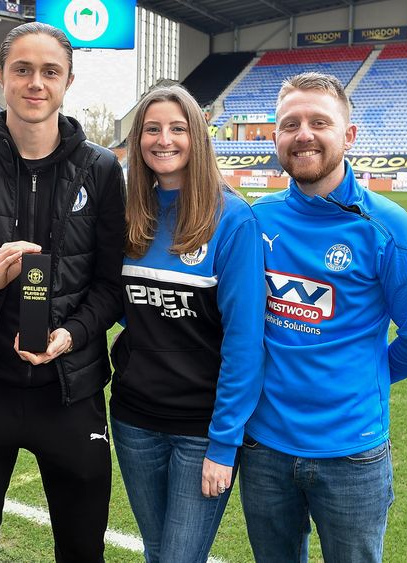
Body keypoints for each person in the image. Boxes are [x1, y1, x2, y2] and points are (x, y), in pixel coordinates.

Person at [0, 22, 126, 562]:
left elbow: (111, 287)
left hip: (69, 389)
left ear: (67, 82)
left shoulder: (102, 170)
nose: (35, 82)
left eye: (49, 71)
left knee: (82, 549)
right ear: (0, 76)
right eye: (22, 69)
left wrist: (72, 334)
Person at [242, 72, 407, 562]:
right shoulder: (257, 218)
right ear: (275, 138)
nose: (303, 134)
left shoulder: (388, 227)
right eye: (290, 124)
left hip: (351, 454)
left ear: (348, 136)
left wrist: (360, 377)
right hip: (264, 446)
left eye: (319, 122)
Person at [111, 85, 265, 562]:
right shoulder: (129, 214)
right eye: (152, 129)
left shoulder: (232, 218)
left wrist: (223, 444)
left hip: (201, 429)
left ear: (198, 137)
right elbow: (121, 308)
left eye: (178, 128)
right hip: (135, 419)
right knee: (159, 552)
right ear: (138, 140)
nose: (165, 139)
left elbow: (244, 342)